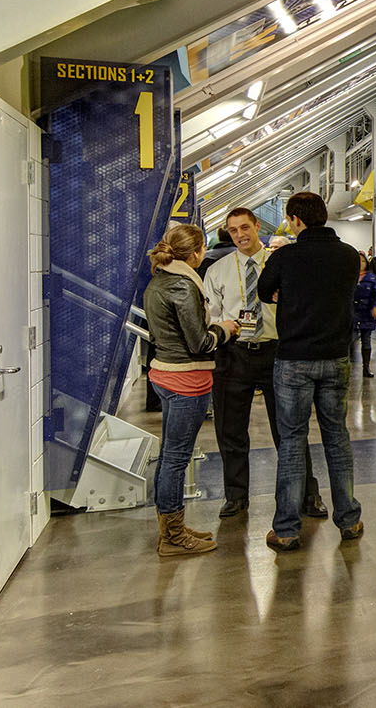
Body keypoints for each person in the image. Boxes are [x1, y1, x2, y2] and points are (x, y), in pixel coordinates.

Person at [256, 192, 365, 551]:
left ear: (295, 220)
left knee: (292, 442)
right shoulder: (349, 256)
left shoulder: (285, 256)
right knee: (337, 437)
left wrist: (286, 296)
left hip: (293, 360)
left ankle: (286, 529)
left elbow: (264, 291)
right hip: (336, 358)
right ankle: (348, 519)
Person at [203, 207, 324, 519]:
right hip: (234, 354)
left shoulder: (283, 264)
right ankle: (235, 496)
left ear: (257, 226)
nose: (241, 235)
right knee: (230, 430)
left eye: (245, 227)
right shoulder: (218, 270)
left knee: (289, 430)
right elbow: (211, 314)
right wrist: (223, 324)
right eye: (233, 231)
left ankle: (307, 495)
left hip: (277, 352)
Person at [143, 223, 238, 557]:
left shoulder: (159, 280)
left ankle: (173, 526)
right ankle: (171, 536)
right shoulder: (184, 286)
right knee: (175, 459)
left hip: (165, 375)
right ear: (196, 252)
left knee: (171, 456)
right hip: (187, 381)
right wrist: (224, 330)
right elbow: (198, 343)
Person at [352, 251, 376, 378]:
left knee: (366, 341)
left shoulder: (371, 278)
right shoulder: (349, 276)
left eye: (363, 261)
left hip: (366, 313)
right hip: (352, 313)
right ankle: (350, 364)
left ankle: (366, 367)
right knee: (350, 340)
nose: (361, 264)